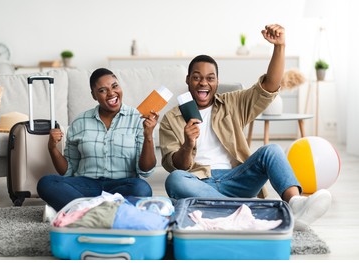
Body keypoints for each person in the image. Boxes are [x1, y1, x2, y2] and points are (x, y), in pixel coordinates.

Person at [159, 24, 332, 230]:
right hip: (199, 183)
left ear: (217, 81)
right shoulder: (171, 119)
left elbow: (269, 87)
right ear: (188, 80)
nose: (203, 83)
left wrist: (280, 46)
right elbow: (176, 166)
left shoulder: (232, 103)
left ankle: (295, 204)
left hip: (237, 179)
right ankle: (247, 211)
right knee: (175, 179)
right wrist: (188, 145)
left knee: (272, 150)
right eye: (196, 77)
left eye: (209, 78)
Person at [37, 68, 159, 212]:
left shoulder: (138, 118)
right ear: (94, 95)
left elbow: (145, 170)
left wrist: (148, 136)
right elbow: (67, 171)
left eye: (115, 86)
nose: (111, 93)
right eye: (102, 90)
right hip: (86, 185)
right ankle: (108, 211)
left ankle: (82, 210)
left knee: (142, 189)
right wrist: (52, 148)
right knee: (47, 183)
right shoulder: (80, 122)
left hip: (122, 185)